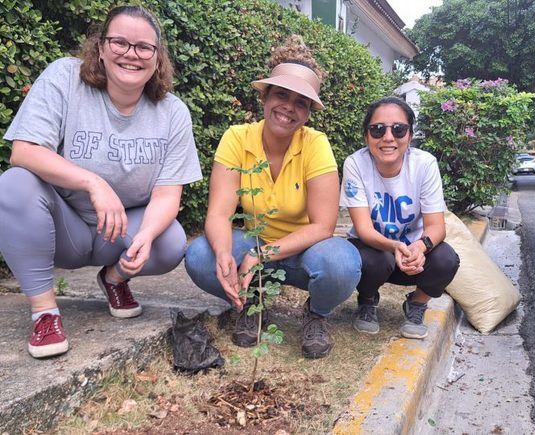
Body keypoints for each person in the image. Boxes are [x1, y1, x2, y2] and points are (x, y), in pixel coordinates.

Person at [0, 5, 202, 358]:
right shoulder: (64, 78)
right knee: (14, 184)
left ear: (157, 59)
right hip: (64, 228)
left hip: (118, 233)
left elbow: (169, 193)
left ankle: (114, 280)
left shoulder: (173, 112)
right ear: (100, 48)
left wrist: (145, 236)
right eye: (119, 42)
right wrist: (93, 183)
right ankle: (45, 311)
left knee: (169, 240)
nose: (131, 54)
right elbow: (25, 151)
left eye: (144, 47)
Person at [185, 36, 361, 359]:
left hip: (306, 252)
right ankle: (251, 300)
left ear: (308, 112)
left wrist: (262, 254)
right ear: (264, 96)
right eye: (282, 95)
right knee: (200, 256)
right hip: (254, 246)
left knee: (342, 263)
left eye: (301, 102)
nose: (289, 108)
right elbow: (219, 214)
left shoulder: (316, 145)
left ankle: (317, 314)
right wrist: (225, 253)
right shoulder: (236, 139)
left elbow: (323, 226)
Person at [339, 97, 460, 338]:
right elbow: (363, 228)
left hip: (411, 257)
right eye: (377, 129)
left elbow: (437, 227)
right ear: (366, 136)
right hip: (374, 251)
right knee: (374, 260)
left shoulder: (425, 164)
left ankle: (416, 304)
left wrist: (419, 247)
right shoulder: (355, 164)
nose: (388, 137)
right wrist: (394, 245)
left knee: (446, 259)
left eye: (398, 129)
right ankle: (367, 300)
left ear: (410, 135)